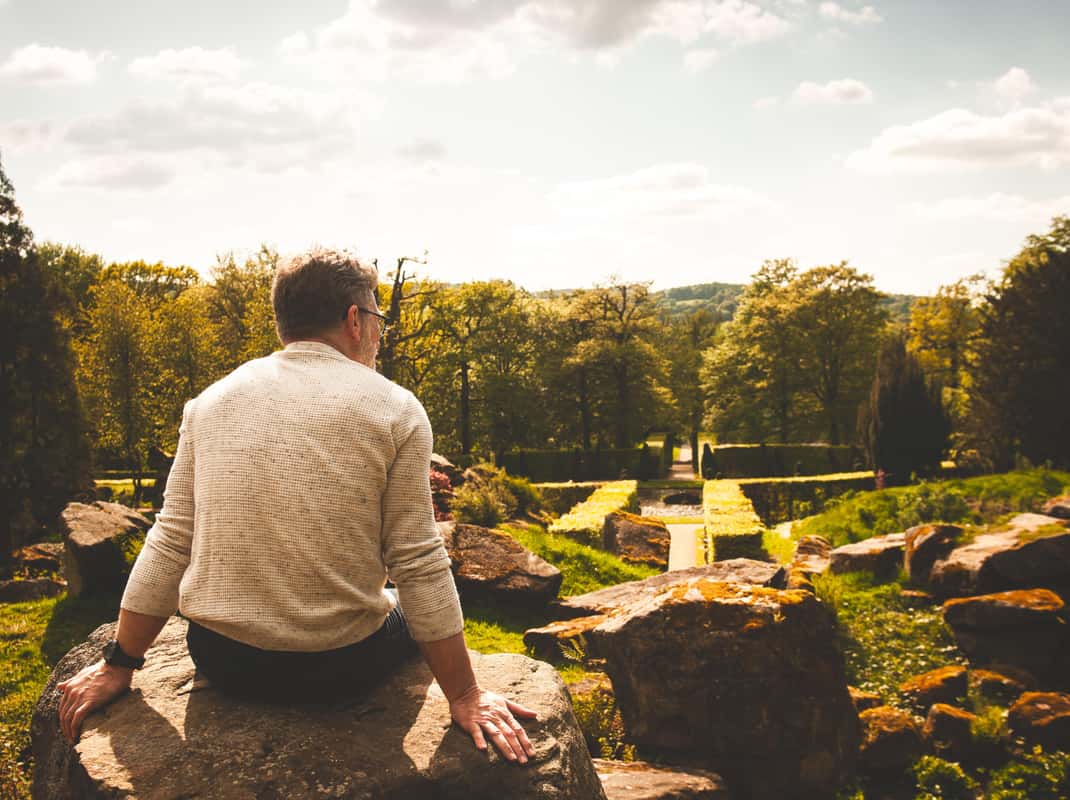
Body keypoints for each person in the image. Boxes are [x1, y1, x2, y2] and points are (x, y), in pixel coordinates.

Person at [57, 248, 537, 765]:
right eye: (378, 318)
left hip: (222, 659)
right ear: (355, 319)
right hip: (340, 667)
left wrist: (120, 663)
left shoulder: (210, 402)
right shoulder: (395, 408)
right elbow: (417, 560)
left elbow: (172, 538)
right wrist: (465, 695)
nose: (379, 332)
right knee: (394, 601)